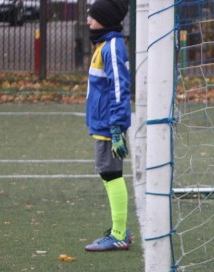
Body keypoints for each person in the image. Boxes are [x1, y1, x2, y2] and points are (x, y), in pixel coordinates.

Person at [83, 0, 132, 252]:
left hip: (108, 125)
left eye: (92, 16)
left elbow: (119, 89)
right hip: (102, 122)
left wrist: (116, 128)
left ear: (105, 18)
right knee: (107, 173)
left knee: (111, 174)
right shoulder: (104, 43)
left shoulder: (112, 46)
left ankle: (119, 234)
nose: (88, 21)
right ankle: (120, 227)